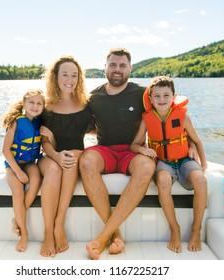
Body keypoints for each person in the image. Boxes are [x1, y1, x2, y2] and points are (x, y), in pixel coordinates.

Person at [78, 48, 157, 260]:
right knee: (86, 161)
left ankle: (103, 237)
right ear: (105, 67)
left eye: (122, 66)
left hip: (133, 151)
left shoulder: (143, 94)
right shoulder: (94, 97)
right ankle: (115, 234)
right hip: (106, 151)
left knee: (147, 166)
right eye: (113, 65)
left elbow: (163, 117)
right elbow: (83, 126)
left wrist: (192, 144)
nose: (117, 70)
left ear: (130, 68)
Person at [130, 76, 207, 253]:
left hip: (184, 161)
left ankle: (196, 228)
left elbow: (197, 141)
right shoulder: (147, 119)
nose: (162, 100)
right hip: (163, 162)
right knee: (163, 181)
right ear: (150, 99)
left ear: (173, 96)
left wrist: (203, 166)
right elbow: (133, 145)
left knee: (201, 181)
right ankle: (175, 229)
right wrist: (142, 150)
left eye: (166, 95)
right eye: (156, 96)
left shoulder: (183, 118)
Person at [38, 55, 94, 258]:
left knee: (72, 157)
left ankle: (59, 224)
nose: (69, 79)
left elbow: (101, 130)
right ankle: (48, 232)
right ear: (55, 77)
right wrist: (55, 155)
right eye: (65, 74)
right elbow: (43, 141)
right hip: (50, 156)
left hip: (73, 157)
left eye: (74, 75)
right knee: (54, 169)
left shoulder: (86, 106)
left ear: (79, 78)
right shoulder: (46, 106)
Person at [1, 88, 51, 252]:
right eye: (32, 102)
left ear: (43, 107)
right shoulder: (15, 122)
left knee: (36, 181)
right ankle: (24, 234)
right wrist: (18, 172)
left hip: (29, 163)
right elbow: (6, 150)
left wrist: (50, 135)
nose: (35, 106)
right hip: (13, 164)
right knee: (18, 191)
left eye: (39, 103)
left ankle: (17, 219)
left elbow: (48, 145)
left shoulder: (40, 124)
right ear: (24, 104)